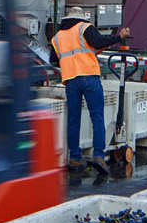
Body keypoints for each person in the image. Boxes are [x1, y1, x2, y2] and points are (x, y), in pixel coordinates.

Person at [53, 10, 129, 175]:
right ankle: (98, 156)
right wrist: (119, 37)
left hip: (70, 80)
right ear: (81, 18)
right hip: (89, 77)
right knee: (97, 117)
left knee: (73, 120)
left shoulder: (57, 37)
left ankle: (74, 158)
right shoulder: (84, 27)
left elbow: (54, 59)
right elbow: (99, 41)